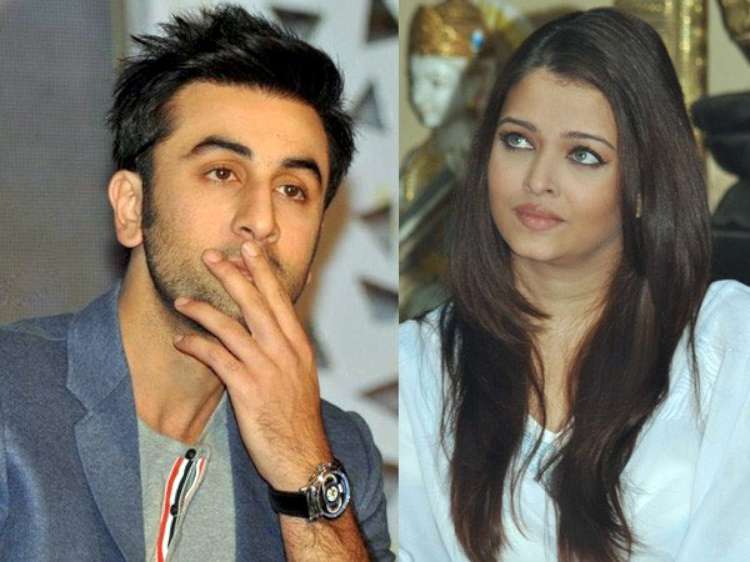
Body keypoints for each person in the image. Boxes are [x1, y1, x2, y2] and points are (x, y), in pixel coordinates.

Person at [0, 5, 392, 561]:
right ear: (132, 208)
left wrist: (301, 463)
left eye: (292, 190)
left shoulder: (339, 452)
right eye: (222, 173)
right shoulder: (12, 397)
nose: (261, 220)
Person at [400, 8, 750, 562]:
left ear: (644, 184)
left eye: (583, 155)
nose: (538, 180)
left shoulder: (726, 345)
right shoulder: (422, 368)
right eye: (517, 141)